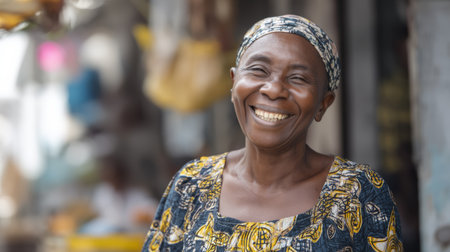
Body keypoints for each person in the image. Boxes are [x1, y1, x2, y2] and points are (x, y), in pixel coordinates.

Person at [142, 15, 403, 251]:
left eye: (298, 78)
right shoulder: (191, 187)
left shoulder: (357, 193)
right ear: (234, 84)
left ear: (323, 103)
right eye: (258, 70)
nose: (274, 89)